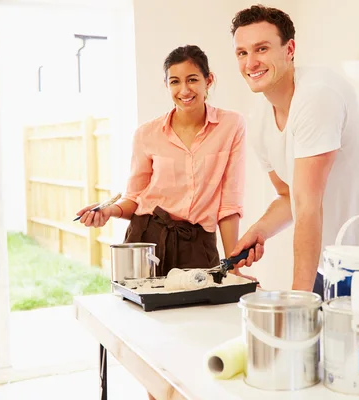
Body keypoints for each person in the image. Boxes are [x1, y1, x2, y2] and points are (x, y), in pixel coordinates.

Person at [228, 5, 359, 297]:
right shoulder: (258, 120)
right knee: (321, 339)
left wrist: (298, 300)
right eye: (242, 53)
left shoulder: (318, 95)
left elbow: (308, 205)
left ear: (289, 49)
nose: (251, 62)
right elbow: (288, 197)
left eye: (261, 49)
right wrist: (260, 230)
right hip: (326, 255)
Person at [76, 44, 249, 280]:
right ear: (166, 84)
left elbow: (229, 205)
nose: (184, 89)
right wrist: (110, 211)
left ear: (209, 81)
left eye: (192, 79)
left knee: (197, 314)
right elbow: (135, 198)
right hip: (146, 239)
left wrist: (233, 267)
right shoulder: (146, 134)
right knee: (140, 314)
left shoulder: (231, 126)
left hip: (197, 244)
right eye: (175, 81)